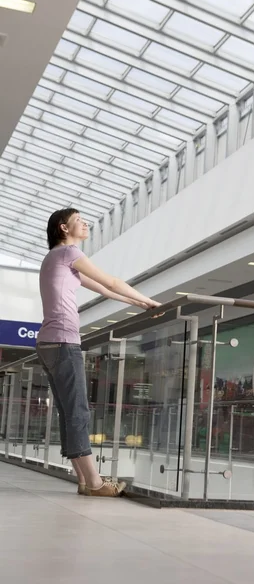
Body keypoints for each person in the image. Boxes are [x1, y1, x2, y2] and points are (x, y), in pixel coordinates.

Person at [36, 208, 161, 497]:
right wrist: (151, 301)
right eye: (79, 220)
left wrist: (139, 304)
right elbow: (112, 281)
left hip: (49, 343)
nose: (85, 223)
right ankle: (95, 483)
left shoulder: (55, 258)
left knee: (69, 411)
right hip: (64, 342)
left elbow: (108, 292)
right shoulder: (67, 253)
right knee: (77, 411)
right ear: (63, 228)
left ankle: (84, 479)